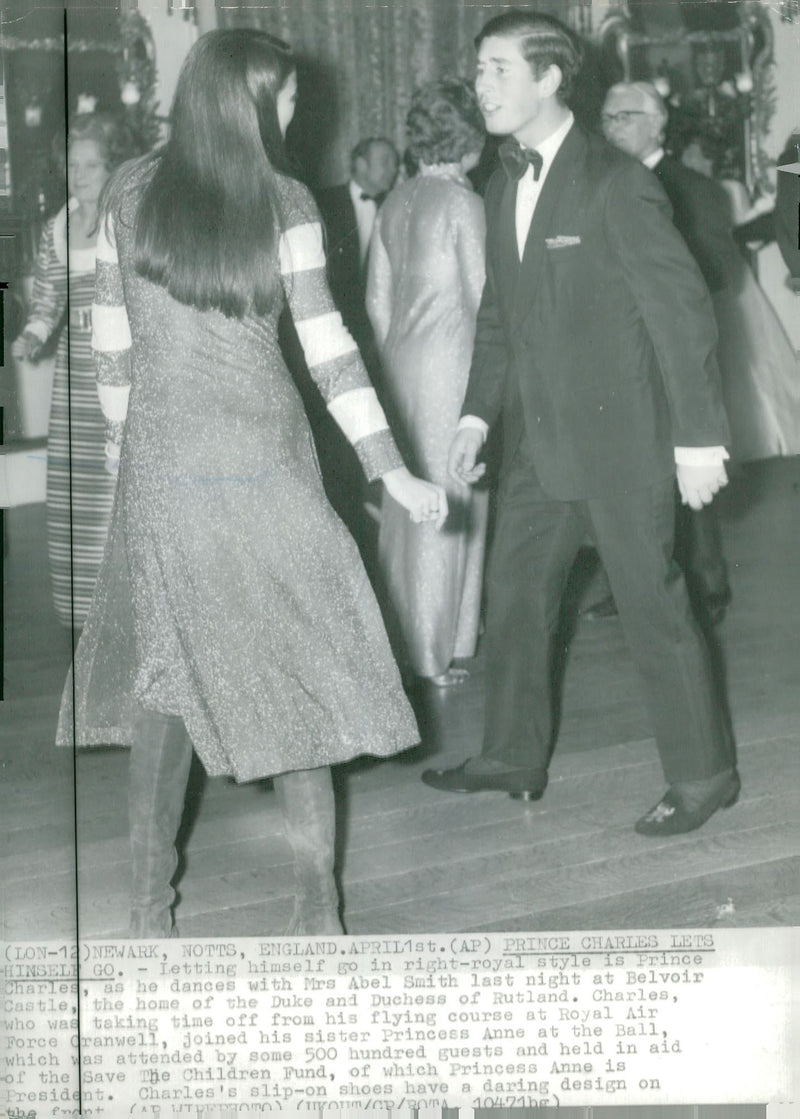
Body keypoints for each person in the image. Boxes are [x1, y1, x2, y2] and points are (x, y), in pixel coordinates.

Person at [55, 30, 447, 938]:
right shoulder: (286, 200)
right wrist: (392, 469)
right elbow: (331, 353)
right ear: (248, 101)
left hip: (165, 461)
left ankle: (148, 916)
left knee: (167, 677)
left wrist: (129, 462)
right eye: (286, 96)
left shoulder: (126, 191)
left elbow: (109, 345)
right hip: (267, 456)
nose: (295, 110)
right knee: (299, 662)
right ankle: (318, 914)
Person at [421, 10, 739, 837]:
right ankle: (512, 755)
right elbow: (500, 316)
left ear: (551, 78)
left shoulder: (613, 180)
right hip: (540, 447)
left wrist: (699, 439)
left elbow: (683, 313)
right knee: (514, 594)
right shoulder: (499, 185)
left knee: (652, 607)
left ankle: (704, 776)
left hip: (624, 442)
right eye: (479, 70)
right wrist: (474, 418)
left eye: (497, 70)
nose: (481, 86)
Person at [583, 81, 740, 625]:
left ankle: (707, 587)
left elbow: (721, 269)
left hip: (671, 353)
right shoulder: (595, 185)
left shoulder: (692, 188)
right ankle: (630, 586)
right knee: (627, 478)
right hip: (617, 357)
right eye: (605, 117)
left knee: (687, 475)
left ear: (658, 123)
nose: (611, 127)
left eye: (624, 116)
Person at [367, 79, 489, 686]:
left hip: (401, 363)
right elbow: (484, 299)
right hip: (455, 360)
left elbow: (375, 301)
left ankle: (421, 645)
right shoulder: (465, 205)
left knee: (409, 502)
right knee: (452, 499)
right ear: (471, 140)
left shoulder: (395, 201)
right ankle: (433, 654)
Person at [13, 113, 135, 629]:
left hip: (123, 372)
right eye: (71, 164)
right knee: (79, 496)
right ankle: (85, 608)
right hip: (75, 383)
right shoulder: (57, 229)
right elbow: (46, 301)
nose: (79, 174)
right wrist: (34, 333)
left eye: (91, 165)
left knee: (122, 486)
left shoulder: (128, 222)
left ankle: (133, 607)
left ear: (113, 169)